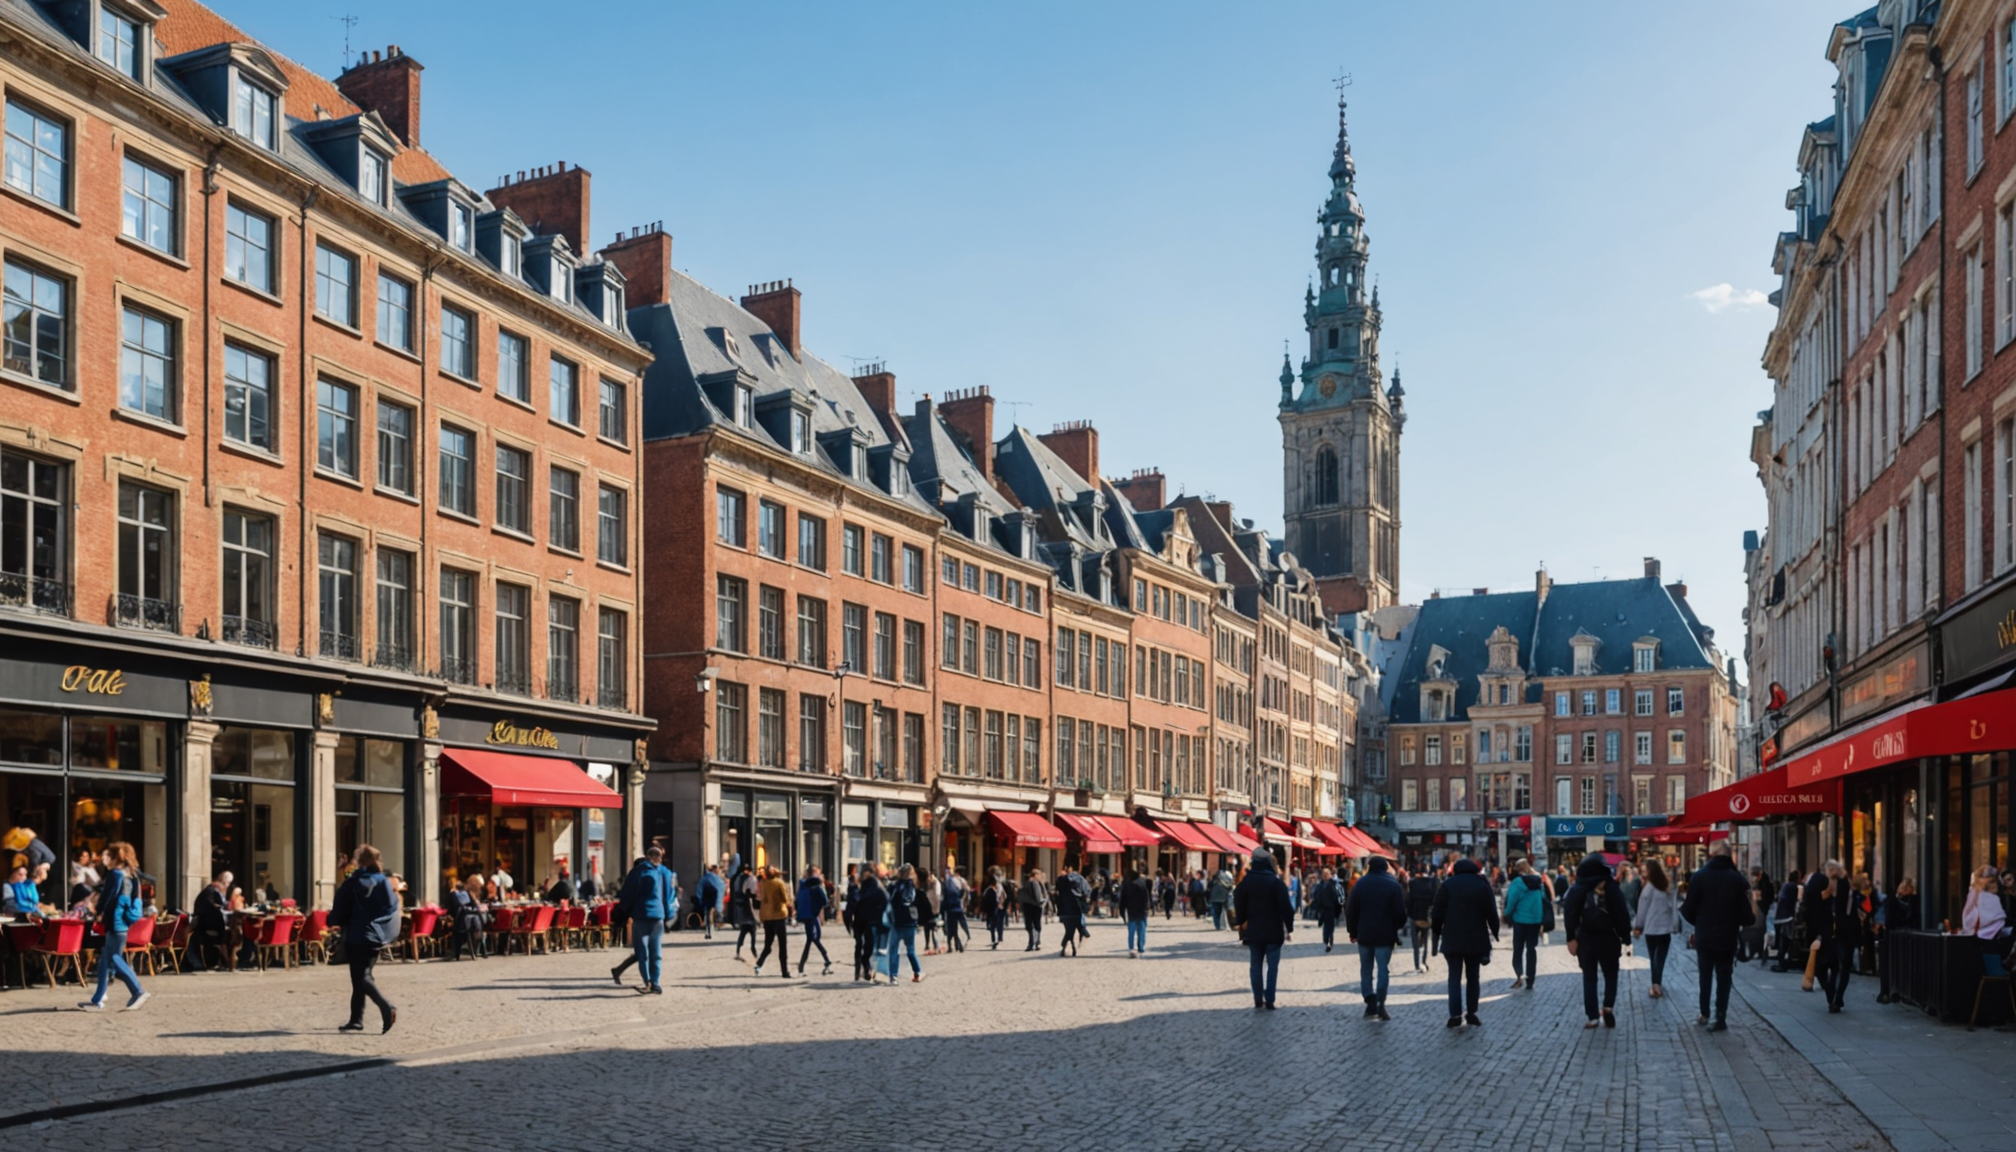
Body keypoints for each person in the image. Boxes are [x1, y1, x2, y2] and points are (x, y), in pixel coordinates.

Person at [1679, 843, 1752, 1030]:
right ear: (1729, 856)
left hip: (1705, 935)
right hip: (1728, 936)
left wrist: (1701, 923)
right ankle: (1721, 1016)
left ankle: (1704, 1013)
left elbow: (1687, 909)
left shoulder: (1700, 876)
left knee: (1705, 976)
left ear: (1713, 855)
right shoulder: (1737, 879)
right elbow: (1747, 915)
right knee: (1724, 977)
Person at [329, 844, 399, 1030]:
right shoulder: (382, 881)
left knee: (361, 977)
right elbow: (392, 906)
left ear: (361, 862)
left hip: (358, 934)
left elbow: (342, 902)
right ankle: (356, 1019)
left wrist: (335, 920)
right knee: (360, 976)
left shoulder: (355, 881)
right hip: (376, 935)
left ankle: (386, 1007)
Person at [75, 843, 148, 1012]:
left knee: (114, 959)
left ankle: (138, 991)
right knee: (104, 961)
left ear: (115, 858)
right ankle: (97, 999)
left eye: (107, 855)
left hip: (115, 921)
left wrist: (98, 911)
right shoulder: (130, 874)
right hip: (122, 921)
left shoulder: (115, 874)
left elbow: (108, 896)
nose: (104, 858)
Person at [1563, 852, 1630, 1029]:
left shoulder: (1579, 888)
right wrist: (1626, 937)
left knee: (1589, 977)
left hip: (1586, 939)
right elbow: (1621, 914)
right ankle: (1608, 1006)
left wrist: (1571, 937)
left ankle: (1592, 1016)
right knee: (1611, 974)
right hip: (1609, 938)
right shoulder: (1611, 887)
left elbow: (1570, 913)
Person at [1429, 857, 1499, 1028]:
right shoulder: (1482, 885)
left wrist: (1437, 931)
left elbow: (1437, 913)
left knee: (1454, 977)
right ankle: (1472, 1012)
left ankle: (1455, 1014)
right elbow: (1491, 911)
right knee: (1473, 976)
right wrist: (1495, 932)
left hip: (1452, 938)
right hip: (1476, 939)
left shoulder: (1447, 885)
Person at [1344, 855, 1408, 1020]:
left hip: (1364, 934)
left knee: (1366, 968)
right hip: (1385, 936)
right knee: (1383, 969)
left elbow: (1351, 911)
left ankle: (1369, 1000)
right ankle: (1381, 1000)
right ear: (1386, 868)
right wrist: (1396, 928)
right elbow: (1401, 913)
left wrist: (1353, 932)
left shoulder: (1361, 884)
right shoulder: (1393, 885)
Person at [1230, 848, 1295, 1010]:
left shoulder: (1246, 882)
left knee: (1256, 965)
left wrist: (1242, 919)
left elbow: (1237, 898)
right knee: (1272, 967)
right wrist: (1289, 926)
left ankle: (1258, 998)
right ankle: (1270, 999)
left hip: (1254, 931)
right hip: (1273, 931)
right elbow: (1286, 907)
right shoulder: (1275, 882)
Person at [615, 846, 675, 995]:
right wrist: (668, 914)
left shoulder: (637, 872)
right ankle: (655, 982)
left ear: (647, 856)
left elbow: (627, 894)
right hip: (658, 917)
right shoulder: (664, 872)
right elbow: (669, 895)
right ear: (659, 858)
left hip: (641, 916)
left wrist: (625, 910)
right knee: (656, 952)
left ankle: (647, 981)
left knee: (643, 953)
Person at [1804, 860, 1859, 1013]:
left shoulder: (1822, 887)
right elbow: (1855, 909)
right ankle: (1837, 999)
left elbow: (1812, 910)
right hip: (1846, 933)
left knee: (1832, 967)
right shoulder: (1847, 887)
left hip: (1829, 934)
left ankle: (1831, 998)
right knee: (1843, 968)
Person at [1630, 858, 1678, 1001]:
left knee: (1653, 958)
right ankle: (1657, 983)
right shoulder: (1667, 887)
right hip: (1665, 929)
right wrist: (1675, 924)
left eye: (1645, 871)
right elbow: (1673, 908)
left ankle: (1655, 985)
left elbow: (1642, 910)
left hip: (1651, 929)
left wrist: (1638, 925)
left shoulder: (1649, 888)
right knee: (1660, 958)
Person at [1501, 859, 1553, 990]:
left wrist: (1506, 914)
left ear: (1518, 870)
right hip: (1535, 920)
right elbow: (1543, 899)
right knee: (1531, 949)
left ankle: (1520, 975)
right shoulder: (1538, 881)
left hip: (1520, 920)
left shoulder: (1517, 883)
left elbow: (1512, 901)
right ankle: (1530, 979)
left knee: (1518, 949)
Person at [1875, 878, 1920, 1004]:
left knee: (1889, 965)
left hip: (1893, 936)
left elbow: (1889, 918)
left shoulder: (1893, 900)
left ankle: (1888, 992)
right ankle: (1895, 992)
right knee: (1900, 965)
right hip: (1902, 937)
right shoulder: (1909, 901)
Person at [752, 866, 794, 978]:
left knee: (768, 944)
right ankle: (784, 971)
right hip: (779, 914)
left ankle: (759, 963)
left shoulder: (763, 883)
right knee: (782, 945)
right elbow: (785, 899)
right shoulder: (779, 883)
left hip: (767, 916)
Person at [885, 864, 923, 983]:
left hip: (895, 922)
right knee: (910, 950)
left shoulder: (894, 886)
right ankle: (917, 972)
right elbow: (916, 903)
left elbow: (887, 900)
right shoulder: (913, 886)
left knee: (893, 950)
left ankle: (893, 976)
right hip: (909, 922)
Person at [189, 870, 232, 970]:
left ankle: (223, 961)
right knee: (228, 936)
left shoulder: (211, 892)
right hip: (205, 926)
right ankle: (227, 962)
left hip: (206, 924)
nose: (226, 887)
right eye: (226, 884)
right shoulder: (211, 892)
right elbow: (215, 907)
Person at [852, 867, 889, 982]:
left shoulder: (866, 891)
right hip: (876, 923)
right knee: (876, 949)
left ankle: (868, 971)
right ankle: (872, 971)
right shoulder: (877, 889)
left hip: (870, 923)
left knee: (871, 949)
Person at [795, 866, 832, 975]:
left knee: (812, 938)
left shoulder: (802, 885)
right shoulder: (816, 884)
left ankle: (825, 960)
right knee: (812, 939)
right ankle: (803, 965)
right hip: (812, 914)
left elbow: (798, 901)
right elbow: (824, 900)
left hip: (805, 915)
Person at [446, 873, 487, 960]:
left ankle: (455, 951)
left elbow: (451, 910)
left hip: (462, 924)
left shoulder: (458, 895)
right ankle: (481, 947)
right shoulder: (470, 898)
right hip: (472, 925)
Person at [1405, 866, 1439, 973]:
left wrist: (1410, 914)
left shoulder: (1413, 884)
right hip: (1427, 918)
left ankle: (1417, 963)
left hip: (1415, 917)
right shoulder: (1432, 885)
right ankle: (1424, 961)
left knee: (1415, 943)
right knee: (1425, 941)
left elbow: (1408, 901)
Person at [1770, 869, 1804, 971]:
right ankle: (1783, 959)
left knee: (1783, 937)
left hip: (1781, 915)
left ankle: (1782, 959)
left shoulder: (1786, 885)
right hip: (1787, 916)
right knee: (1787, 938)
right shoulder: (1793, 887)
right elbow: (1792, 901)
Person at [1055, 867, 1091, 957]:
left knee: (1068, 929)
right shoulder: (1080, 879)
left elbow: (1056, 893)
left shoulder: (1060, 880)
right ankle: (1069, 945)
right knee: (1072, 929)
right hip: (1076, 907)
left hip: (1063, 908)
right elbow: (1087, 892)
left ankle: (1067, 947)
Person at [1310, 867, 1345, 953]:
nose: (1325, 875)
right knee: (1324, 925)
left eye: (1327, 873)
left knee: (1330, 926)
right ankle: (1326, 940)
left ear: (1330, 874)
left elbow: (1340, 896)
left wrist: (1339, 906)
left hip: (1331, 908)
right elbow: (1315, 895)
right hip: (1322, 909)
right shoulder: (1319, 885)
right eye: (1323, 874)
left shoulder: (1335, 885)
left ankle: (1329, 941)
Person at [1120, 867, 1153, 956]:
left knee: (1131, 930)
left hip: (1131, 910)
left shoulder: (1126, 884)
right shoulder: (1143, 883)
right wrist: (1148, 907)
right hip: (1142, 910)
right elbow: (1147, 897)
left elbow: (1123, 900)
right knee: (1141, 929)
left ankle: (1131, 947)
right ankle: (1141, 947)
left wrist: (1122, 911)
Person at [730, 865, 758, 961]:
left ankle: (740, 950)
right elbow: (747, 893)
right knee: (750, 930)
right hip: (746, 908)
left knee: (745, 930)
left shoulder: (739, 878)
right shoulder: (745, 879)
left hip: (743, 908)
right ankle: (752, 949)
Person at [1018, 868, 1048, 952]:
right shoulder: (1035, 883)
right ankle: (1036, 942)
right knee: (1036, 924)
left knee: (1030, 925)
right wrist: (1042, 902)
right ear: (1035, 875)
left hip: (1028, 906)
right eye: (1039, 875)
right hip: (1035, 906)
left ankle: (1032, 942)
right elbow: (1039, 896)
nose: (1040, 877)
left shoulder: (1027, 882)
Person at [980, 867, 1009, 949]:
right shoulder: (992, 887)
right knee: (996, 923)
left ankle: (996, 938)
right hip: (995, 907)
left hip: (996, 908)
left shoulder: (998, 885)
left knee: (995, 923)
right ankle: (997, 938)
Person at [1207, 864, 1234, 930]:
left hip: (1214, 898)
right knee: (1222, 912)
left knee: (1215, 913)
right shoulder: (1227, 882)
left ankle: (1217, 925)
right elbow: (1230, 889)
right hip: (1223, 898)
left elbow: (1208, 888)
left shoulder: (1214, 881)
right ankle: (1222, 925)